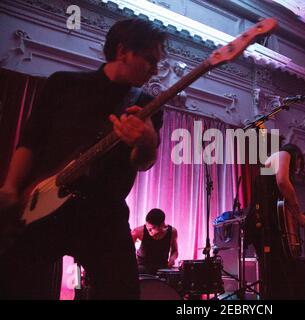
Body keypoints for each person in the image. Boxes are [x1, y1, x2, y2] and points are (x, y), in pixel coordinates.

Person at [0, 18, 166, 299]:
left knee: (122, 294)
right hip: (41, 205)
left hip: (105, 213)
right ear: (123, 50)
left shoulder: (147, 106)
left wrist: (148, 143)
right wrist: (11, 187)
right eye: (149, 59)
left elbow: (141, 162)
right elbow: (31, 141)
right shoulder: (63, 84)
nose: (155, 69)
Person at [245, 143, 305, 299]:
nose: (298, 167)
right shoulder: (284, 154)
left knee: (275, 274)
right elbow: (282, 182)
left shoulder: (270, 164)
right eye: (299, 162)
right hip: (265, 223)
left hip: (260, 222)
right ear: (296, 156)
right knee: (283, 273)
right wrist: (299, 214)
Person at [131, 208, 178, 275]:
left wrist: (172, 259)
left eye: (151, 229)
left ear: (161, 225)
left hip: (162, 268)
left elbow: (175, 251)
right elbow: (127, 248)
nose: (148, 231)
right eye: (147, 228)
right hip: (142, 268)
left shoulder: (172, 232)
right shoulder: (138, 231)